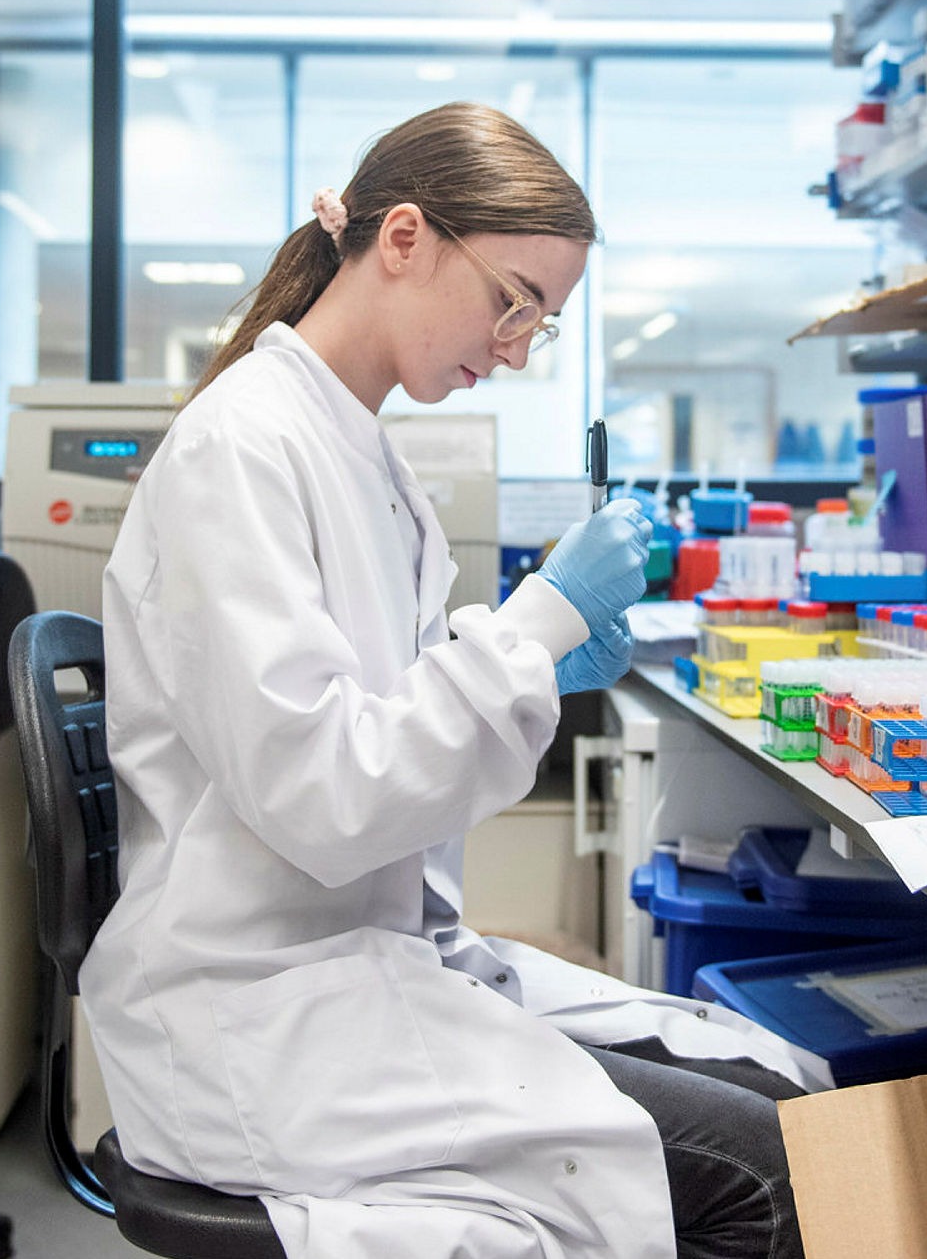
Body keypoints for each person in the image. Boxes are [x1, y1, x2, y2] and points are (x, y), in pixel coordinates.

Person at [84, 102, 826, 1259]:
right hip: (258, 1008)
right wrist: (530, 630)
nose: (521, 345)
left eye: (544, 320)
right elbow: (327, 796)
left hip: (361, 959)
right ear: (405, 239)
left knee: (776, 1084)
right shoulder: (245, 446)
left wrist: (523, 669)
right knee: (765, 1173)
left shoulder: (360, 453)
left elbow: (371, 731)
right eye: (513, 300)